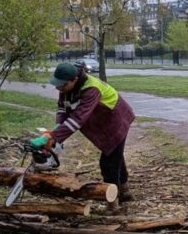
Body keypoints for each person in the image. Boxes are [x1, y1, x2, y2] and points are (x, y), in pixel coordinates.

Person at [31, 62, 136, 209]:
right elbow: (62, 109)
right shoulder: (66, 87)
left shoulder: (91, 89)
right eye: (58, 85)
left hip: (116, 120)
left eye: (62, 85)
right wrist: (55, 130)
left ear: (74, 79)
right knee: (114, 155)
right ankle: (125, 192)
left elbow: (78, 119)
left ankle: (113, 203)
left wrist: (56, 136)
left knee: (109, 162)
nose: (58, 88)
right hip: (101, 121)